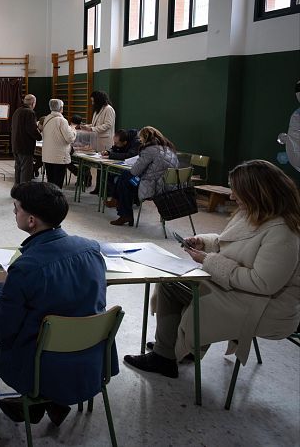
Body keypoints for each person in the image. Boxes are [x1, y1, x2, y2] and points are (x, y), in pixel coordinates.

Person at [125, 160, 300, 378]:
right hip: (243, 293)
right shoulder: (252, 213)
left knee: (170, 287)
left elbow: (263, 283)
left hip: (264, 306)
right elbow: (229, 242)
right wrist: (204, 242)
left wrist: (209, 261)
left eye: (237, 192)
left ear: (257, 193)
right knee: (175, 282)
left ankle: (164, 357)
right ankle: (184, 346)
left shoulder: (283, 232)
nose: (232, 197)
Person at [0, 181, 116, 426]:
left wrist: (1, 286)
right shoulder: (92, 250)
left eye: (17, 208)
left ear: (31, 220)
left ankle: (34, 399)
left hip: (40, 368)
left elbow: (5, 328)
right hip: (92, 359)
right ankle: (54, 401)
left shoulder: (25, 268)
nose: (14, 212)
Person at [106, 126, 179, 226]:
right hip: (169, 186)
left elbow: (135, 171)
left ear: (145, 138)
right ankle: (119, 204)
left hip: (154, 187)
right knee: (126, 181)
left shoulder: (149, 150)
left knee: (124, 178)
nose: (140, 141)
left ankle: (123, 211)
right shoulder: (168, 148)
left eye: (140, 139)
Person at [78, 90, 116, 190]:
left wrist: (92, 129)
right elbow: (95, 124)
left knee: (103, 166)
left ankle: (102, 188)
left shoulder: (108, 109)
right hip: (97, 140)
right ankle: (98, 187)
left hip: (105, 141)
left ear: (99, 100)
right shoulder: (98, 110)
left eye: (93, 101)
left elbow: (108, 125)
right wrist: (87, 126)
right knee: (99, 166)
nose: (92, 103)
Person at [40, 99, 76, 188]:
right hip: (59, 157)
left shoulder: (47, 118)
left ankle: (49, 200)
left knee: (50, 181)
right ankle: (56, 201)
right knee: (57, 183)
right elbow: (70, 138)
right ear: (61, 108)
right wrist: (73, 130)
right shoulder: (62, 120)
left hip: (48, 155)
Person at [92, 129, 139, 197]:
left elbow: (129, 155)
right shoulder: (122, 137)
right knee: (101, 166)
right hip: (122, 162)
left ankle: (110, 194)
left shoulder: (136, 143)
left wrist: (110, 156)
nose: (115, 144)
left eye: (117, 143)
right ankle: (99, 189)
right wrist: (108, 152)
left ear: (125, 142)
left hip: (130, 167)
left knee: (111, 173)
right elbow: (114, 148)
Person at [11, 94, 43, 184]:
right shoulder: (30, 112)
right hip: (25, 146)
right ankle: (24, 193)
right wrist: (39, 135)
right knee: (26, 171)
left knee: (18, 169)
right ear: (33, 103)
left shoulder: (17, 111)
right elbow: (31, 130)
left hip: (15, 145)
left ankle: (17, 190)